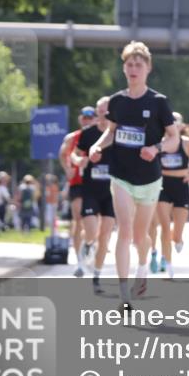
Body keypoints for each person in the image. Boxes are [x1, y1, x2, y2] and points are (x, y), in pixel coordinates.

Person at [88, 41, 179, 311]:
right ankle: (124, 295)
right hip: (121, 176)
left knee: (141, 238)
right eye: (129, 64)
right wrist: (97, 146)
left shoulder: (158, 102)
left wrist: (156, 148)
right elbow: (111, 132)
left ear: (148, 68)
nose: (134, 69)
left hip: (150, 179)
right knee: (124, 232)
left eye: (139, 64)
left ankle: (143, 265)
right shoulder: (117, 101)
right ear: (124, 68)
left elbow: (173, 138)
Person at [150, 112, 189, 279]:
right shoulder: (159, 144)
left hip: (181, 186)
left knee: (176, 234)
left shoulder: (187, 143)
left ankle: (178, 239)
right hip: (162, 185)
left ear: (181, 126)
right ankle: (167, 264)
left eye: (175, 122)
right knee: (164, 226)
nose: (172, 125)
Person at [72, 96, 117, 294]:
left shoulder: (118, 134)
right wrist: (78, 161)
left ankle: (97, 276)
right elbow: (74, 154)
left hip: (113, 191)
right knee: (91, 231)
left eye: (106, 110)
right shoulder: (88, 134)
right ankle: (88, 244)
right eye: (100, 110)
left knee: (105, 235)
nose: (103, 113)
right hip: (90, 189)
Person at [60, 107, 96, 276]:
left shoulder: (102, 135)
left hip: (98, 183)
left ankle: (91, 245)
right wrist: (67, 168)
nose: (87, 120)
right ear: (80, 119)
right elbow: (63, 153)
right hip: (78, 183)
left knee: (97, 222)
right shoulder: (72, 137)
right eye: (84, 117)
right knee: (78, 218)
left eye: (91, 117)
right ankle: (79, 261)